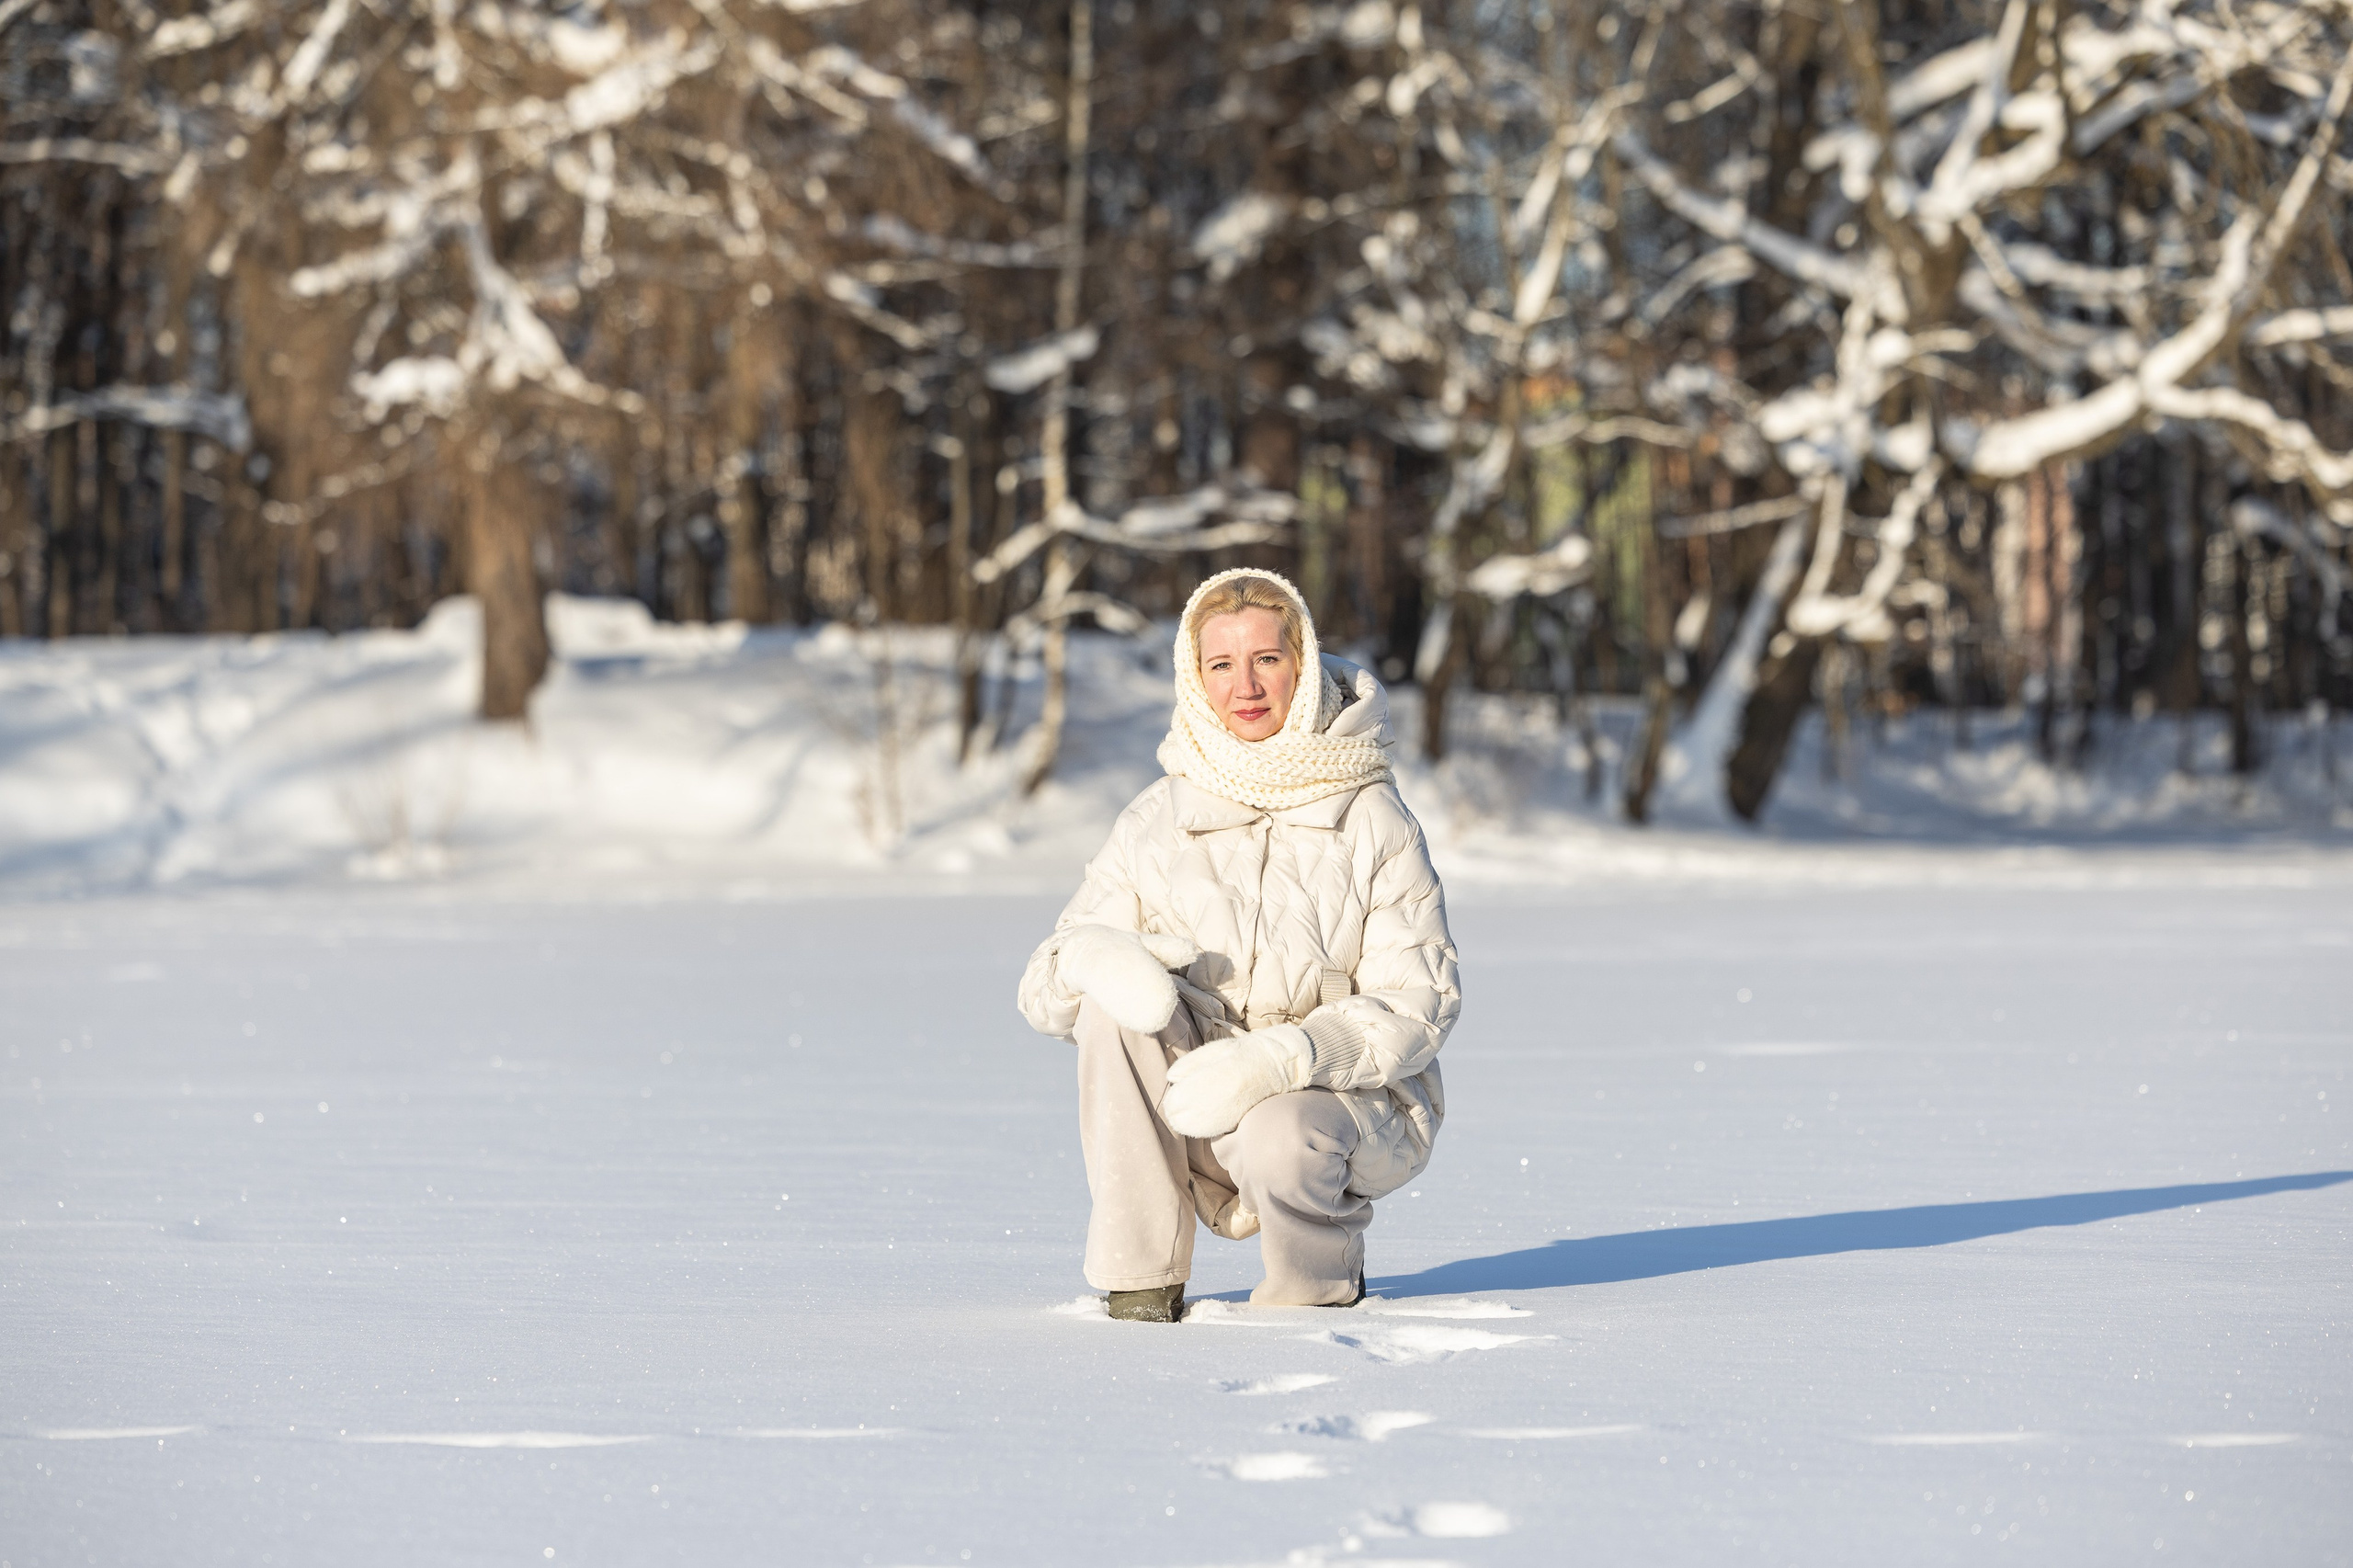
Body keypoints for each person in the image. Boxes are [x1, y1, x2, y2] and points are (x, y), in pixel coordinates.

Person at [1017, 569, 1461, 1321]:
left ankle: (1313, 1290)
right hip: (1195, 1105)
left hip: (1340, 1109)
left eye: (1267, 659)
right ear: (1196, 679)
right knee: (1111, 1012)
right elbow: (1043, 990)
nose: (1245, 685)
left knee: (1281, 1133)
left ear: (1304, 663)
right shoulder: (1158, 817)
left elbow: (1421, 1003)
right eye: (1221, 664)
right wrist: (1085, 959)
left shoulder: (1373, 817)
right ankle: (1140, 1286)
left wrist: (1282, 1059)